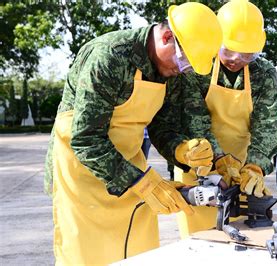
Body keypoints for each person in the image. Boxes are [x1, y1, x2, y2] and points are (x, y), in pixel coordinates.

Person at [42, 3, 223, 264]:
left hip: (130, 164)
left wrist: (181, 150)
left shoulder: (172, 71)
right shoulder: (109, 56)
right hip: (82, 170)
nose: (181, 70)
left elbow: (163, 127)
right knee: (85, 254)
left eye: (189, 67)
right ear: (167, 37)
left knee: (139, 249)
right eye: (183, 60)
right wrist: (144, 183)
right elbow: (85, 139)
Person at [150, 0, 277, 238]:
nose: (235, 59)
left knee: (243, 240)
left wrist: (255, 167)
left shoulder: (265, 75)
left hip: (242, 170)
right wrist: (216, 161)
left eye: (246, 54)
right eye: (228, 49)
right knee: (200, 242)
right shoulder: (198, 66)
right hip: (197, 162)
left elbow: (267, 126)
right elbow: (194, 119)